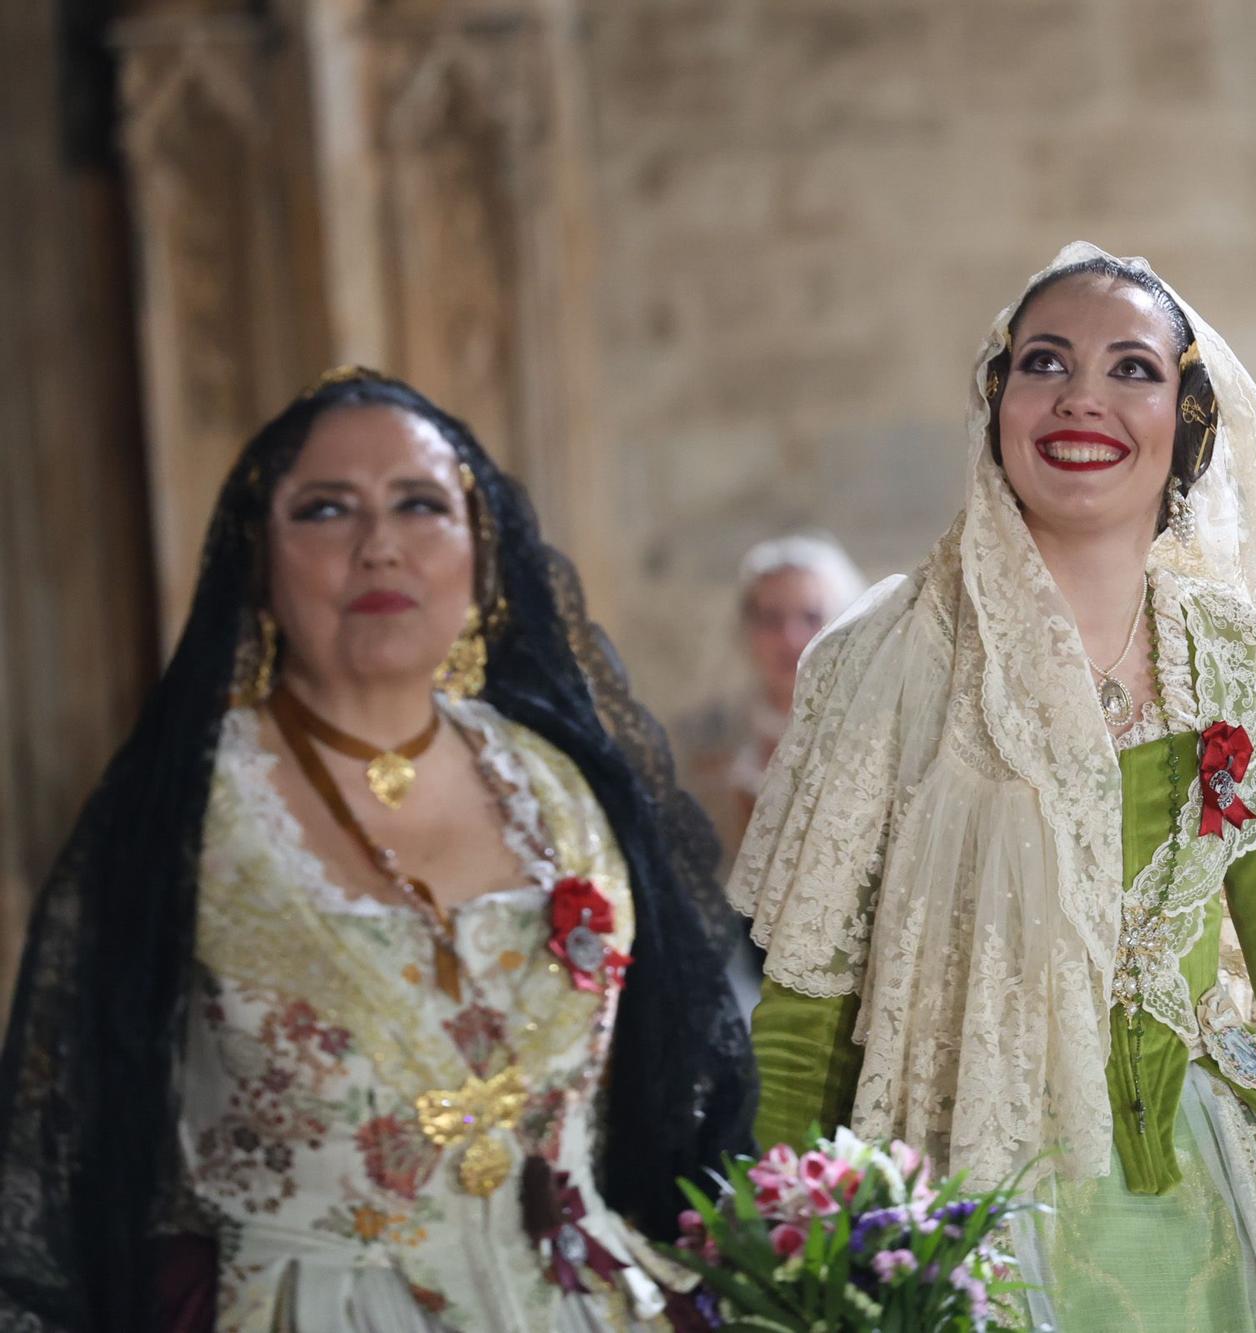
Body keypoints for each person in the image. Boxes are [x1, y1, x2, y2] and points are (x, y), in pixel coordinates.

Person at [731, 244, 1256, 1331]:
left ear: (1188, 420)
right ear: (996, 403)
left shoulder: (1233, 662)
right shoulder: (884, 661)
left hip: (1234, 1214)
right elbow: (807, 1010)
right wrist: (771, 1272)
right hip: (970, 1211)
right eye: (1045, 362)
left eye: (1132, 368)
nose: (1081, 396)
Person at [0, 369, 755, 1329]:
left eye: (420, 504)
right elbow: (82, 1134)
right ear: (259, 558)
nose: (380, 545)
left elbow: (670, 1086)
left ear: (480, 549)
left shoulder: (559, 786)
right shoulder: (188, 807)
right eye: (325, 509)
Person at [676, 535, 866, 869]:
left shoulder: (867, 733)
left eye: (811, 617)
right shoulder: (701, 736)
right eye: (771, 619)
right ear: (747, 627)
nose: (790, 638)